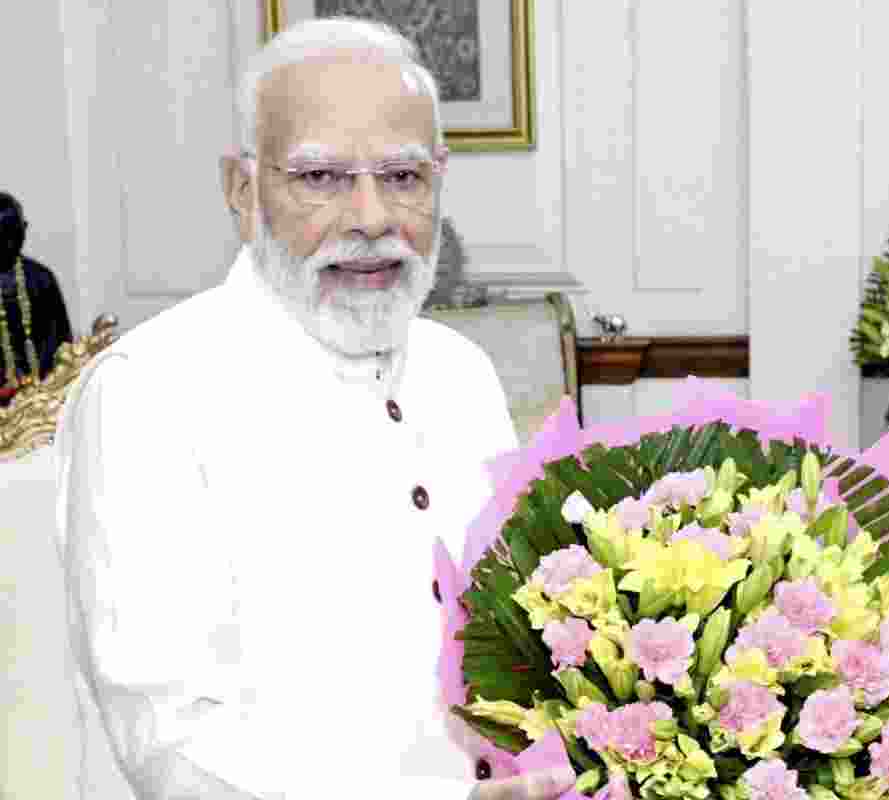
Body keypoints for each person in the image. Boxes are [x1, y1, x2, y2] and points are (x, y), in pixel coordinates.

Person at [56, 18, 571, 800]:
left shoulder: (463, 370)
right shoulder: (149, 392)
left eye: (403, 177)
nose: (370, 218)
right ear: (242, 189)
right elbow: (171, 742)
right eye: (321, 178)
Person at [0, 191, 73, 403]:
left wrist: (38, 375)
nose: (8, 244)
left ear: (25, 229)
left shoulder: (40, 278)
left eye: (13, 234)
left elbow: (58, 338)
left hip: (37, 389)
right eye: (1, 236)